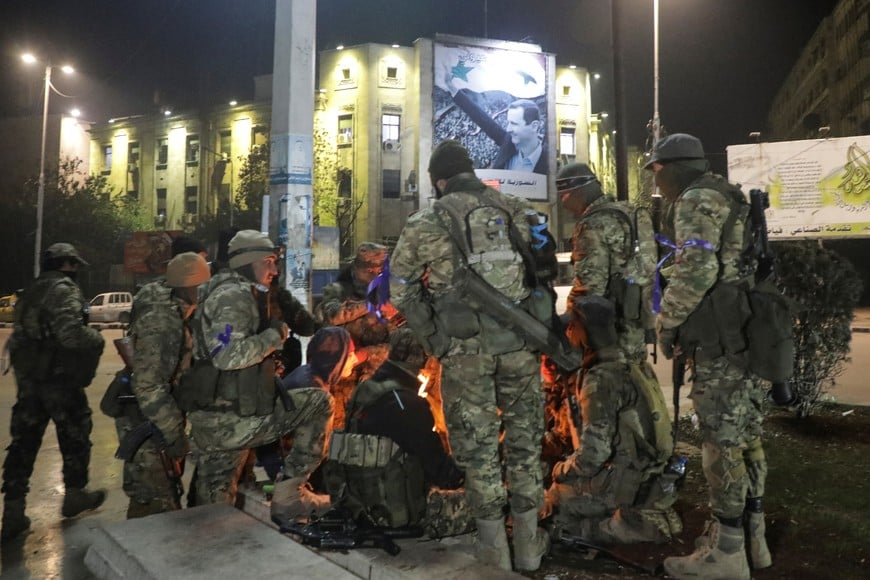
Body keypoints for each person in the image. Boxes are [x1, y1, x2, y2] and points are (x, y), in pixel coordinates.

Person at [390, 140, 550, 572]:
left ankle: (493, 551)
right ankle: (531, 548)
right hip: (520, 345)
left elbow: (401, 289)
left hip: (464, 352)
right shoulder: (517, 208)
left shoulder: (427, 220)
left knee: (478, 450)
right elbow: (545, 266)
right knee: (524, 444)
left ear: (439, 181)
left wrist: (435, 339)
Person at [646, 133, 771, 579]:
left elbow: (697, 268)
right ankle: (751, 538)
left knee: (721, 442)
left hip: (720, 339)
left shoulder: (695, 199)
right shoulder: (727, 192)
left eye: (656, 172)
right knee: (746, 435)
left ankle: (727, 554)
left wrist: (668, 322)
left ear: (669, 168)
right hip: (743, 331)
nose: (656, 183)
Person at [184, 230, 335, 522]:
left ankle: (204, 546)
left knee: (213, 506)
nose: (274, 270)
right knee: (320, 402)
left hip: (217, 416)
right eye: (268, 262)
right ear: (249, 263)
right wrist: (274, 335)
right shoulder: (235, 296)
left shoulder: (222, 290)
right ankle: (290, 496)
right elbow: (228, 354)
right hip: (233, 420)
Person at [546, 296, 682, 544]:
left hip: (625, 485)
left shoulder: (600, 380)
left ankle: (615, 526)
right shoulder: (634, 364)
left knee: (553, 500)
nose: (568, 331)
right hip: (653, 478)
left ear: (584, 331)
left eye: (572, 325)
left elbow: (592, 456)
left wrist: (560, 470)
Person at [2, 243, 106, 543]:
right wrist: (96, 339)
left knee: (23, 443)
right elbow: (71, 334)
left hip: (30, 382)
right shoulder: (64, 290)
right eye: (75, 266)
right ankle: (74, 495)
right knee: (75, 437)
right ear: (68, 264)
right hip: (60, 381)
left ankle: (13, 511)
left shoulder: (29, 292)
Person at [325, 328, 469, 538]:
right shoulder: (407, 404)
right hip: (397, 515)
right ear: (424, 361)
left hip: (359, 507)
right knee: (487, 501)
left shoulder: (365, 390)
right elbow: (445, 475)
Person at [107, 252, 211, 518]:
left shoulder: (177, 306)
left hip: (155, 416)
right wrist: (175, 434)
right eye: (203, 286)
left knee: (154, 496)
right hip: (146, 418)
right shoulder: (162, 322)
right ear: (190, 287)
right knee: (157, 503)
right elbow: (148, 385)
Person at [557, 162, 657, 364]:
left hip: (608, 329)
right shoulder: (635, 213)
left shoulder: (593, 223)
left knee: (606, 385)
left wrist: (568, 321)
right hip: (638, 318)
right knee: (636, 379)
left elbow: (590, 289)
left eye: (563, 196)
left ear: (577, 192)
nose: (562, 203)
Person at [317, 242, 401, 427]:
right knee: (335, 430)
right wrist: (371, 305)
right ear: (356, 268)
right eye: (367, 270)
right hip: (341, 377)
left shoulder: (391, 295)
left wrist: (365, 354)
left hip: (375, 378)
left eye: (377, 271)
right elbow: (332, 316)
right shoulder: (338, 290)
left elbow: (398, 346)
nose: (372, 275)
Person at [438, 68, 547, 173]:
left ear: (534, 126)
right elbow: (481, 118)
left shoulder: (547, 162)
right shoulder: (508, 143)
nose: (508, 129)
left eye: (514, 124)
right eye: (509, 123)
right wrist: (453, 89)